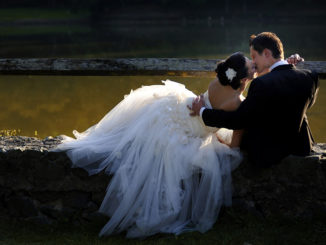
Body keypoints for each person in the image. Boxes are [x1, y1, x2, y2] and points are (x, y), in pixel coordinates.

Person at [54, 52, 255, 238]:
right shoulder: (236, 103)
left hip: (181, 109)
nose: (254, 66)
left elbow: (209, 113)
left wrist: (206, 118)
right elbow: (227, 138)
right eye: (251, 65)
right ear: (244, 79)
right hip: (189, 131)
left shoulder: (216, 83)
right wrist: (219, 139)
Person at [190, 32, 319, 168]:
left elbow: (239, 120)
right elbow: (306, 104)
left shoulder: (262, 84)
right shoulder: (310, 77)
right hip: (299, 146)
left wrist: (203, 111)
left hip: (268, 152)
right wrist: (289, 66)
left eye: (254, 57)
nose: (253, 62)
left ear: (266, 53)